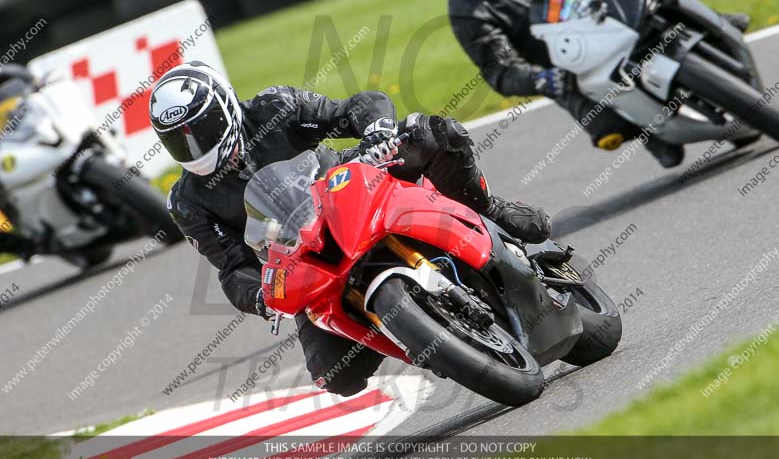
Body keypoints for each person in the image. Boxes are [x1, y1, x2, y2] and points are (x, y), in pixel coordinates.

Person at [149, 61, 551, 396]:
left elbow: (355, 107)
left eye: (199, 131)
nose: (193, 147)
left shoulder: (275, 106)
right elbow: (231, 266)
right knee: (335, 375)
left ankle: (486, 209)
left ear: (224, 107)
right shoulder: (186, 201)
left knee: (433, 132)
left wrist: (376, 130)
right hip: (304, 256)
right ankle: (421, 334)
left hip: (352, 191)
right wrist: (260, 297)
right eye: (178, 142)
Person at [448, 0, 751, 168]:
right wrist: (542, 79)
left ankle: (708, 17)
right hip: (573, 67)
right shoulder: (467, 9)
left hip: (614, 11)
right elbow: (500, 70)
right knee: (609, 129)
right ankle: (649, 129)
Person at [0, 64, 38, 259]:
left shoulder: (8, 81)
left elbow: (13, 73)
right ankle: (21, 244)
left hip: (23, 132)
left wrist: (34, 82)